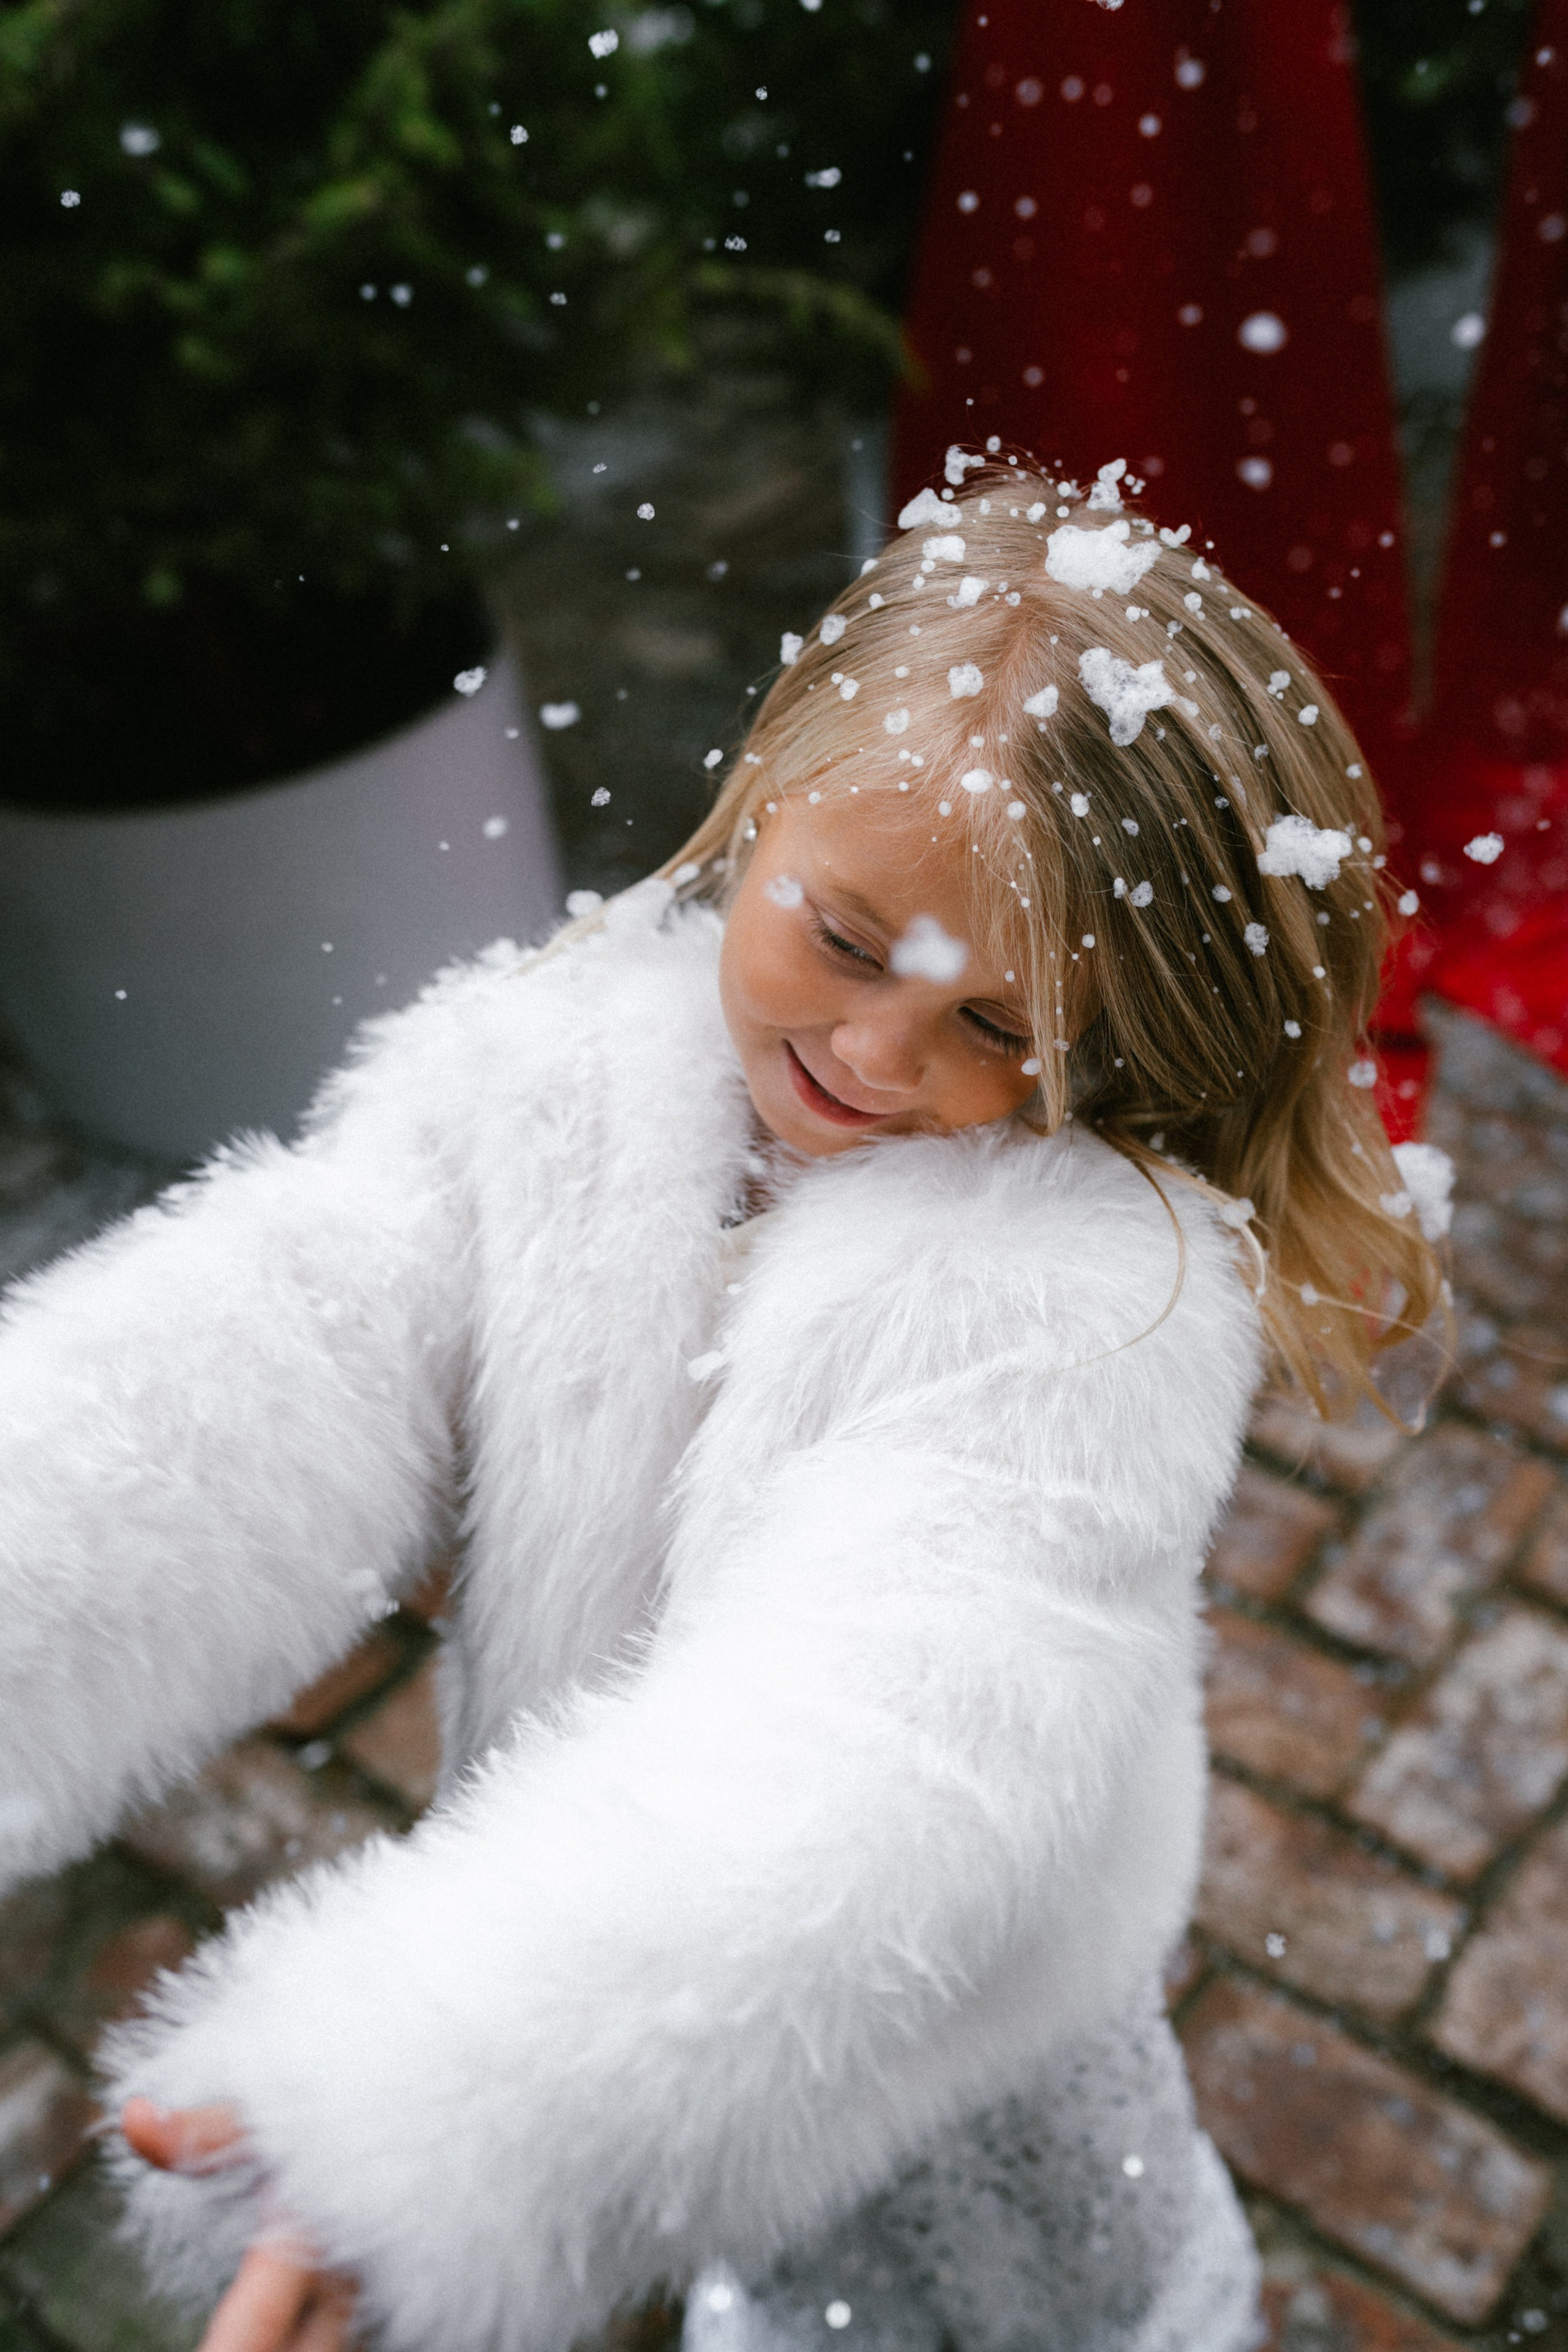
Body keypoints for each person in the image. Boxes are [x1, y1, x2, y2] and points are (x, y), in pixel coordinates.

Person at [0, 459, 1449, 2352]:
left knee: (1010, 2314)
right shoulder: (560, 1087)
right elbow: (275, 1330)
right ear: (762, 800)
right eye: (844, 942)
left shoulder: (1096, 1303)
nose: (868, 1051)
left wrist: (461, 2095)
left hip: (952, 2026)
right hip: (656, 1966)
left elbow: (907, 1726)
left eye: (1003, 1028)